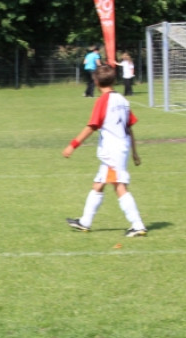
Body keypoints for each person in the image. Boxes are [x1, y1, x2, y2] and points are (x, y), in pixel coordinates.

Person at [62, 65, 147, 238]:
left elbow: (92, 126)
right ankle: (85, 221)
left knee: (119, 186)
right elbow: (129, 128)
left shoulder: (103, 101)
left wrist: (73, 144)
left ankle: (138, 225)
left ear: (96, 81)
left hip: (112, 151)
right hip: (120, 148)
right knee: (99, 184)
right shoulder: (123, 100)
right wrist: (134, 152)